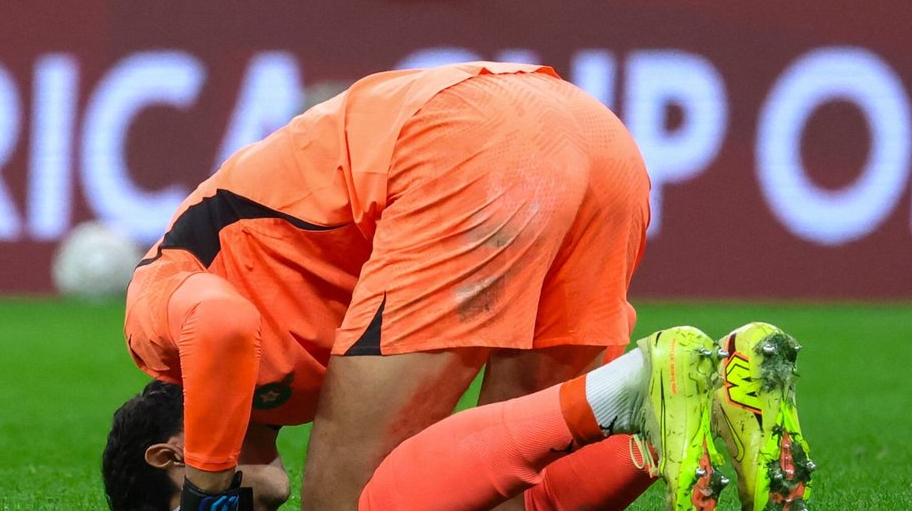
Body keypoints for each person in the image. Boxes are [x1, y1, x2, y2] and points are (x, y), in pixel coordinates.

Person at [103, 61, 816, 511]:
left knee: (342, 505)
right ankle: (708, 388)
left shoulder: (155, 319)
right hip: (593, 140)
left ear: (170, 455)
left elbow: (222, 332)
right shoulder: (278, 387)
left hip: (464, 147)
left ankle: (646, 382)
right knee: (510, 487)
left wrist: (206, 492)